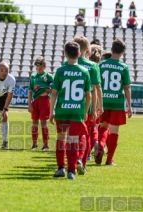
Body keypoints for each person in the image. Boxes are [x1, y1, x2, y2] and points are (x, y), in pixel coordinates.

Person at [50, 41, 92, 180]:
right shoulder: (85, 71)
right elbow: (88, 95)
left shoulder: (60, 70)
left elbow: (54, 92)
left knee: (61, 138)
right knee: (73, 140)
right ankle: (71, 171)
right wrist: (85, 111)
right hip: (77, 111)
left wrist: (51, 111)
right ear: (79, 54)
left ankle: (61, 167)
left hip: (62, 110)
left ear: (65, 54)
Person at [63, 36, 103, 174]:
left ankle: (70, 163)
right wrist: (98, 106)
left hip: (69, 105)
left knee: (71, 136)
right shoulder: (93, 66)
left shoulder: (66, 64)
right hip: (87, 106)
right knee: (86, 134)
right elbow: (96, 88)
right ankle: (81, 161)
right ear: (87, 50)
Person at [96, 39, 132, 166]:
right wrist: (129, 105)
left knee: (103, 126)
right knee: (114, 130)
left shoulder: (101, 65)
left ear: (111, 50)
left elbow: (97, 85)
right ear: (122, 52)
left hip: (103, 101)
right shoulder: (123, 67)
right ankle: (109, 159)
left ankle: (100, 146)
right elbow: (127, 87)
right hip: (117, 102)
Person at [28, 56, 53, 151]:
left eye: (40, 68)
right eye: (37, 68)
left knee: (43, 123)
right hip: (35, 101)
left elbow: (54, 89)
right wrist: (29, 104)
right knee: (34, 123)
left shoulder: (48, 76)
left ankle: (45, 145)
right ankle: (34, 144)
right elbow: (30, 91)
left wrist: (46, 90)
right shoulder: (33, 77)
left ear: (45, 67)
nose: (38, 70)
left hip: (45, 100)